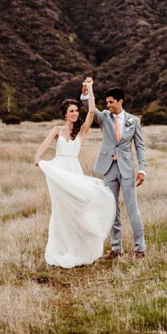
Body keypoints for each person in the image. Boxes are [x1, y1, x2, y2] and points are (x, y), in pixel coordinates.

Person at [34, 78, 116, 268]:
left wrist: (90, 89)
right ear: (65, 114)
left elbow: (93, 111)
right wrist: (38, 158)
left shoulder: (82, 130)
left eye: (76, 110)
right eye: (71, 111)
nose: (75, 113)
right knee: (62, 210)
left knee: (79, 208)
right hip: (59, 171)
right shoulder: (57, 129)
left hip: (74, 171)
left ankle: (82, 248)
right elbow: (44, 146)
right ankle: (63, 248)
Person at [82, 86, 147, 259]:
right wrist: (87, 92)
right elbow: (89, 108)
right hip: (108, 168)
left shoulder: (134, 121)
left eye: (111, 102)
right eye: (107, 102)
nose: (108, 105)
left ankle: (140, 248)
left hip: (127, 170)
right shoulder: (104, 117)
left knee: (133, 208)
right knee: (111, 208)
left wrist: (142, 170)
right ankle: (116, 248)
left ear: (120, 101)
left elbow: (139, 146)